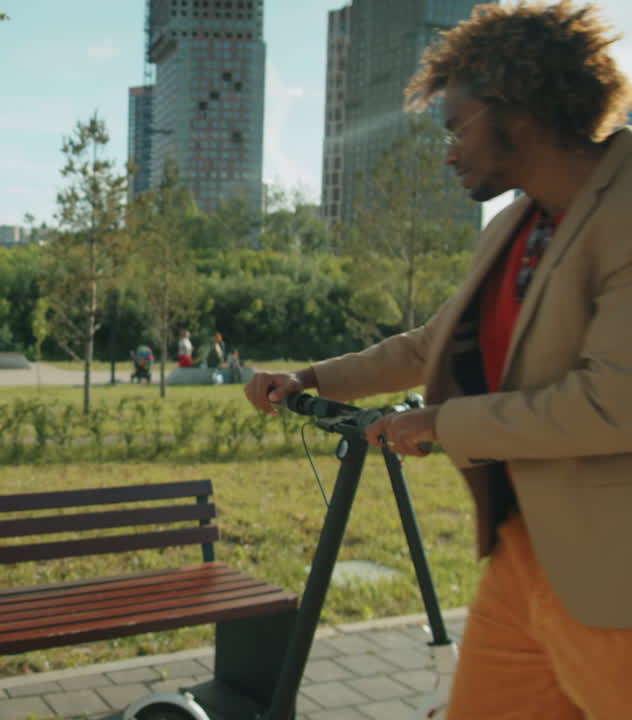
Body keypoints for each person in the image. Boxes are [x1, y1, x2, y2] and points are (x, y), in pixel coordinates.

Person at [245, 3, 632, 717]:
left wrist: (442, 424)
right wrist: (310, 379)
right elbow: (431, 345)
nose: (448, 149)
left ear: (516, 108)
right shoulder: (521, 222)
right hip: (527, 556)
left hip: (615, 579)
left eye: (457, 126)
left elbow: (613, 403)